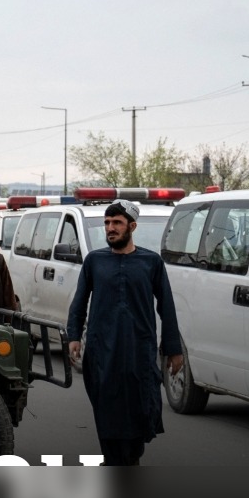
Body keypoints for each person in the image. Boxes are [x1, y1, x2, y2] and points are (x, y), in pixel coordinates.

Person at [67, 199, 184, 466]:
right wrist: (74, 336)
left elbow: (166, 306)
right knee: (107, 412)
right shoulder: (94, 261)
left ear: (132, 226)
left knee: (140, 411)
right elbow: (79, 301)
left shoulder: (151, 262)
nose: (111, 228)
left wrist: (173, 349)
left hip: (139, 353)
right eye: (107, 223)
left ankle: (129, 460)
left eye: (117, 223)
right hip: (102, 352)